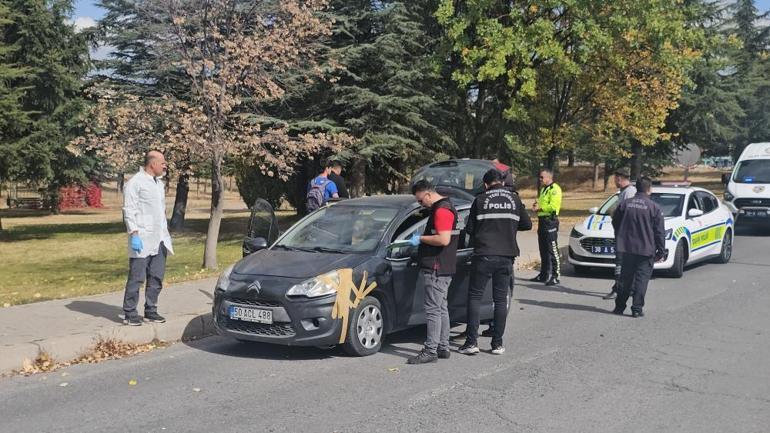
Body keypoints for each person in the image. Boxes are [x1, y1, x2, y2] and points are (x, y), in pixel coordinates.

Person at [458, 169, 532, 356]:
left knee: (475, 297)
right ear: (501, 181)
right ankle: (497, 344)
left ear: (485, 184)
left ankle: (471, 342)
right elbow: (527, 225)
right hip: (506, 256)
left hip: (484, 255)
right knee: (500, 300)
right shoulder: (514, 199)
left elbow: (470, 230)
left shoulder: (480, 200)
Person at [407, 180, 460, 364]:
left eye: (421, 201)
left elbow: (443, 239)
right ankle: (443, 347)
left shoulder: (442, 210)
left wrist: (420, 238)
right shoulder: (446, 207)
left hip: (437, 267)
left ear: (428, 194)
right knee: (441, 307)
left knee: (433, 310)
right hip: (444, 266)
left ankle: (431, 350)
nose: (421, 204)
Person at [122, 150, 174, 326]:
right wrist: (134, 234)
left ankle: (151, 310)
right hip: (142, 238)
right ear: (152, 164)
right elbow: (129, 210)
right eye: (162, 162)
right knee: (137, 277)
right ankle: (130, 312)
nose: (165, 165)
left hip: (159, 238)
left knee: (156, 276)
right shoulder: (135, 183)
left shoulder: (158, 183)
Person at [611, 176, 665, 318]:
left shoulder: (625, 204)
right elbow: (659, 231)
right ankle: (636, 308)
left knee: (625, 278)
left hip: (627, 248)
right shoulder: (654, 207)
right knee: (641, 280)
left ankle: (619, 307)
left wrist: (621, 236)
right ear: (649, 189)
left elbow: (615, 221)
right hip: (646, 249)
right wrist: (661, 250)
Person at [603, 168, 638, 300]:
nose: (614, 182)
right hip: (621, 232)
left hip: (625, 234)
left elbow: (628, 213)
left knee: (620, 262)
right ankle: (626, 288)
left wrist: (615, 214)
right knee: (621, 262)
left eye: (614, 179)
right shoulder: (623, 192)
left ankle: (619, 288)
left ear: (619, 178)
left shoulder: (629, 192)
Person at [530, 169, 562, 286]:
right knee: (543, 249)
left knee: (552, 249)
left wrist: (540, 208)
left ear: (549, 177)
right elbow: (542, 204)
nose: (540, 179)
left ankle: (555, 275)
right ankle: (544, 274)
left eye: (542, 177)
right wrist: (536, 206)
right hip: (542, 221)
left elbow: (553, 206)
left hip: (550, 221)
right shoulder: (544, 189)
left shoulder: (555, 189)